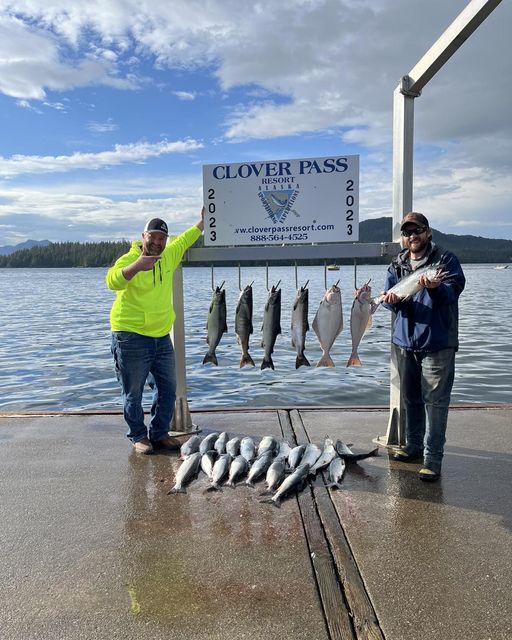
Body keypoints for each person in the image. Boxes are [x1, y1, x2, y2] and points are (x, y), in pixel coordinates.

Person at [106, 208, 204, 454]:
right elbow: (112, 281)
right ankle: (138, 435)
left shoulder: (169, 255)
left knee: (167, 389)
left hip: (161, 337)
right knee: (133, 392)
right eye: (153, 237)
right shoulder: (129, 259)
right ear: (143, 236)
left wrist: (203, 222)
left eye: (162, 238)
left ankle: (159, 433)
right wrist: (137, 266)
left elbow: (185, 239)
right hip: (130, 336)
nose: (158, 242)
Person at [381, 212, 465, 481]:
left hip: (437, 343)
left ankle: (432, 459)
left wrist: (434, 288)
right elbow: (388, 300)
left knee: (436, 403)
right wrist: (390, 299)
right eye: (407, 232)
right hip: (405, 342)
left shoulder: (445, 260)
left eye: (417, 231)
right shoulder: (397, 265)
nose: (412, 236)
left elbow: (452, 292)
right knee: (411, 399)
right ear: (403, 238)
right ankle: (413, 446)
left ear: (428, 232)